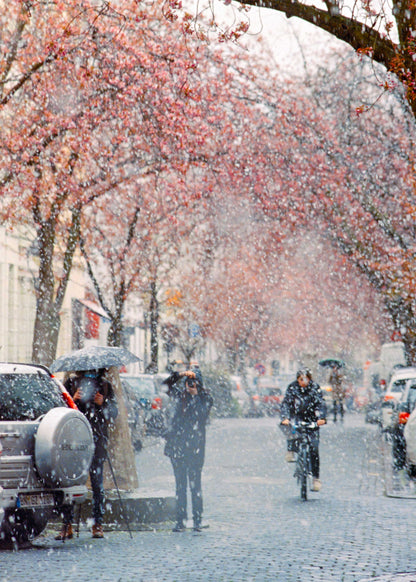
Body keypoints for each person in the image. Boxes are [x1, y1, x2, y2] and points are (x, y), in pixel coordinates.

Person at [55, 368, 118, 540]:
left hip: (96, 441)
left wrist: (102, 403)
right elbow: (60, 410)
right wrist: (72, 400)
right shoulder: (71, 383)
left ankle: (98, 524)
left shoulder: (105, 386)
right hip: (74, 439)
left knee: (97, 484)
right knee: (69, 483)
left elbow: (113, 414)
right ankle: (66, 524)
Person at [163, 368, 213, 532]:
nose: (190, 385)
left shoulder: (205, 398)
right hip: (177, 448)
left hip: (195, 449)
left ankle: (197, 520)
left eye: (194, 382)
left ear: (199, 384)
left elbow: (201, 416)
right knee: (180, 486)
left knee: (195, 485)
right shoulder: (179, 396)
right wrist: (180, 374)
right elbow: (166, 385)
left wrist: (195, 396)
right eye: (188, 382)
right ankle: (180, 520)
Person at [280, 369, 327, 492]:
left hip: (312, 418)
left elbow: (321, 403)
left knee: (314, 448)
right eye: (301, 379)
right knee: (291, 431)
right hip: (296, 417)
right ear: (297, 379)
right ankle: (291, 449)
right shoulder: (292, 388)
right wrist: (285, 417)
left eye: (306, 379)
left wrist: (322, 417)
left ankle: (316, 478)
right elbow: (286, 403)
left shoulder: (315, 388)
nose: (303, 382)